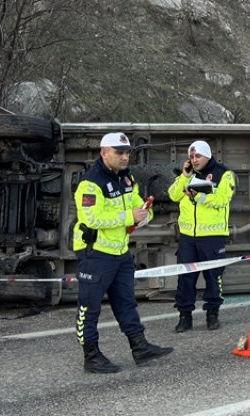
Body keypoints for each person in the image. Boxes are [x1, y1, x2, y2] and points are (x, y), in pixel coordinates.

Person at [74, 132, 173, 374]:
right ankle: (92, 356)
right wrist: (130, 216)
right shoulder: (90, 182)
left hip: (119, 251)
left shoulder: (126, 179)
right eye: (119, 152)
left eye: (127, 152)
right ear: (103, 152)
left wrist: (144, 214)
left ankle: (140, 347)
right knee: (89, 307)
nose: (124, 156)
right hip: (95, 253)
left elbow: (136, 205)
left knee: (126, 302)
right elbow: (91, 217)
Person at [168, 140, 237, 332]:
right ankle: (184, 316)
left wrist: (196, 195)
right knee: (185, 278)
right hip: (188, 237)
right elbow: (173, 195)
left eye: (198, 156)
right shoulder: (188, 175)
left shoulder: (224, 174)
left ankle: (212, 315)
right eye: (191, 157)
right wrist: (184, 176)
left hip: (212, 236)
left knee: (214, 277)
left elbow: (222, 200)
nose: (194, 160)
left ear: (207, 155)